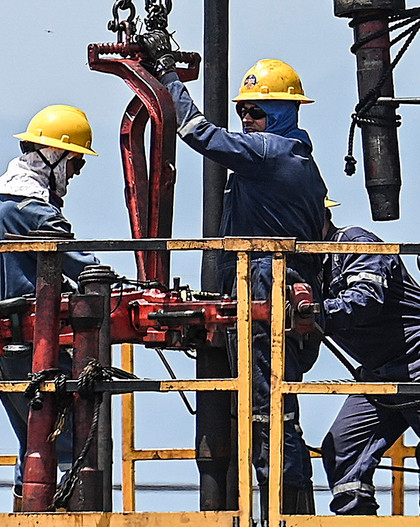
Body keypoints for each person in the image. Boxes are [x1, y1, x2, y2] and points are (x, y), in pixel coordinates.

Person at [141, 32, 328, 514]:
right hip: (271, 289)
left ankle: (289, 517)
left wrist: (166, 75)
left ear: (282, 114)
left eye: (256, 111)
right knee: (267, 412)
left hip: (267, 289)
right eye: (243, 111)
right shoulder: (297, 161)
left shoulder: (270, 153)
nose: (247, 120)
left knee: (268, 415)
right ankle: (287, 512)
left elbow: (196, 132)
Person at [319, 206, 420, 515]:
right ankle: (359, 519)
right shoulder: (309, 265)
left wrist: (313, 314)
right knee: (342, 448)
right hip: (379, 373)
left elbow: (364, 300)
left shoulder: (354, 243)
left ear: (316, 212)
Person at [0, 104, 100, 511]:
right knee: (70, 443)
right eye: (76, 163)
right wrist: (111, 278)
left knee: (31, 437)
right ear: (56, 156)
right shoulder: (33, 209)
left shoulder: (1, 199)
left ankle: (28, 512)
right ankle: (64, 515)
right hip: (36, 346)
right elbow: (78, 262)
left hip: (5, 343)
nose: (77, 173)